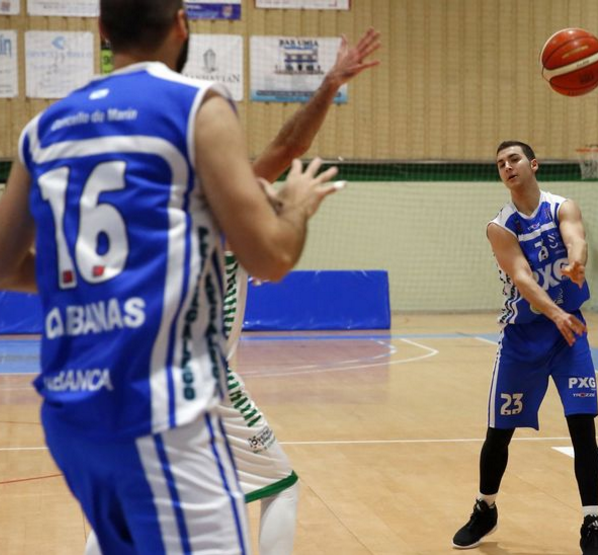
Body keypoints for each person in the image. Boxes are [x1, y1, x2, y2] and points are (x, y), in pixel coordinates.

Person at [0, 1, 344, 553]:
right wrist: (296, 206)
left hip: (70, 409)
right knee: (273, 491)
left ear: (101, 30)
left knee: (121, 534)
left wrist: (94, 278)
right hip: (161, 399)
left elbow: (3, 264)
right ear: (182, 24)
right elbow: (273, 257)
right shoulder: (193, 109)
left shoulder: (44, 128)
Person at [83, 26, 382, 555]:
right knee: (282, 487)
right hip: (200, 380)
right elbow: (289, 148)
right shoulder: (216, 206)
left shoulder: (144, 207)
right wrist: (329, 86)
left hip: (126, 372)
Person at [451, 141, 598, 554]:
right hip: (522, 338)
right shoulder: (500, 226)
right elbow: (522, 278)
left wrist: (577, 262)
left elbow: (576, 238)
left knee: (583, 428)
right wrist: (555, 313)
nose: (507, 166)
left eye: (514, 159)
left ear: (533, 164)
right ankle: (485, 508)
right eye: (500, 163)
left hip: (568, 335)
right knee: (499, 434)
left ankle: (593, 523)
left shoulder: (562, 207)